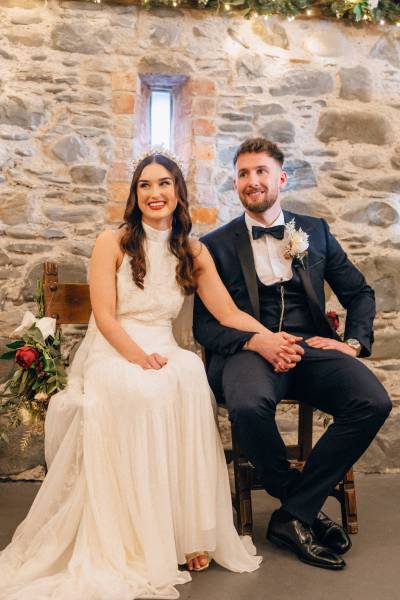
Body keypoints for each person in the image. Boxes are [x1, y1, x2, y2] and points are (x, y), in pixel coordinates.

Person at [0, 150, 265, 600]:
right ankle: (140, 540)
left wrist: (271, 337)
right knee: (143, 393)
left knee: (188, 376)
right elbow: (104, 316)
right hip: (115, 349)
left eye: (163, 184)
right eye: (145, 185)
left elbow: (227, 311)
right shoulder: (114, 242)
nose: (154, 193)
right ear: (135, 194)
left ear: (178, 192)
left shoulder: (193, 251)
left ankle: (186, 535)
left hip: (165, 346)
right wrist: (138, 358)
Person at [193, 137, 392, 571]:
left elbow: (359, 293)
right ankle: (301, 504)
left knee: (373, 402)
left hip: (311, 348)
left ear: (280, 178)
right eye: (244, 173)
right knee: (247, 405)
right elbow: (204, 326)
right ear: (236, 183)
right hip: (250, 352)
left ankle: (292, 514)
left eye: (261, 171)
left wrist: (352, 344)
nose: (252, 181)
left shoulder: (314, 231)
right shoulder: (215, 245)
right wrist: (254, 340)